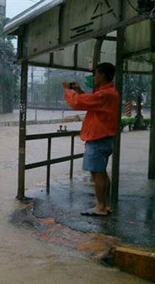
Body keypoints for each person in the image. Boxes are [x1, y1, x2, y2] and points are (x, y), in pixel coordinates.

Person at [62, 62, 119, 216]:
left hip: (98, 139)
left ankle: (100, 207)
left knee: (97, 173)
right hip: (104, 138)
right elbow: (89, 101)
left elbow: (78, 102)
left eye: (96, 74)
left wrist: (68, 91)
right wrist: (79, 91)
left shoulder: (104, 94)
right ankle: (105, 205)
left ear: (103, 76)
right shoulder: (108, 93)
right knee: (101, 173)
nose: (94, 77)